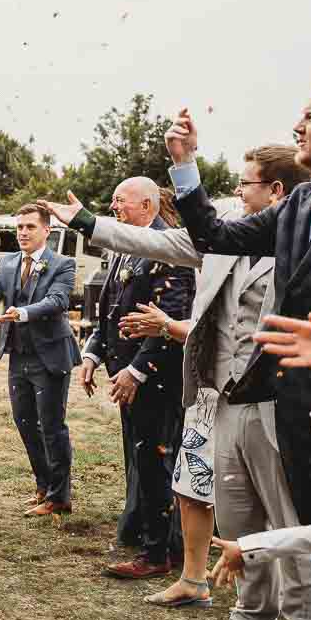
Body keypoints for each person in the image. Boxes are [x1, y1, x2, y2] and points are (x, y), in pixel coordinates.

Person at [43, 146, 311, 620]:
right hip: (221, 401)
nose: (236, 193)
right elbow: (156, 239)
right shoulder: (222, 240)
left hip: (276, 406)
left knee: (287, 528)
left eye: (247, 184)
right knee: (239, 524)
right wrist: (87, 221)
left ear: (276, 194)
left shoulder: (300, 247)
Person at [164, 88, 311, 617]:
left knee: (300, 528)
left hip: (308, 400)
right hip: (270, 391)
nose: (297, 126)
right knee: (243, 520)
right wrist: (185, 164)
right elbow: (212, 235)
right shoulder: (299, 205)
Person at [79, 177, 195, 580]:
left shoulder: (168, 247)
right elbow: (111, 307)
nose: (113, 207)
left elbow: (168, 319)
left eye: (119, 201)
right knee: (140, 458)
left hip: (155, 379)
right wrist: (94, 353)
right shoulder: (125, 246)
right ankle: (147, 534)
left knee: (156, 461)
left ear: (146, 204)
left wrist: (136, 371)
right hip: (125, 374)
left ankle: (158, 553)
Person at [0, 203, 79, 518]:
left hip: (51, 356)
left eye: (30, 227)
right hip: (19, 356)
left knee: (53, 426)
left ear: (46, 231)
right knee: (25, 423)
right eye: (20, 227)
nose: (23, 232)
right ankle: (43, 487)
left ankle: (59, 496)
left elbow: (58, 300)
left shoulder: (63, 263)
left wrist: (23, 313)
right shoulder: (9, 261)